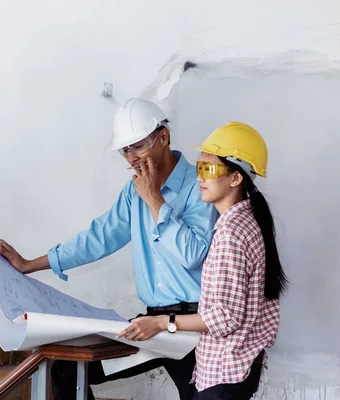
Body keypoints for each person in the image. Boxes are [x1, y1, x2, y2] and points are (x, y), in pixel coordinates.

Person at [0, 98, 218, 400]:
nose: (131, 158)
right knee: (67, 368)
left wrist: (155, 200)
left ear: (163, 138)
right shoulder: (134, 190)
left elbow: (192, 255)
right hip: (152, 325)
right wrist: (30, 264)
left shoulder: (201, 186)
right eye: (125, 150)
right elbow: (99, 238)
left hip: (195, 325)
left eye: (138, 146)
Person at [118, 122, 288, 399]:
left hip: (225, 372)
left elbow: (224, 317)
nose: (200, 178)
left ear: (235, 178)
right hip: (236, 367)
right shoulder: (247, 220)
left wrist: (162, 322)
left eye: (209, 170)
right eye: (199, 168)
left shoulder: (230, 234)